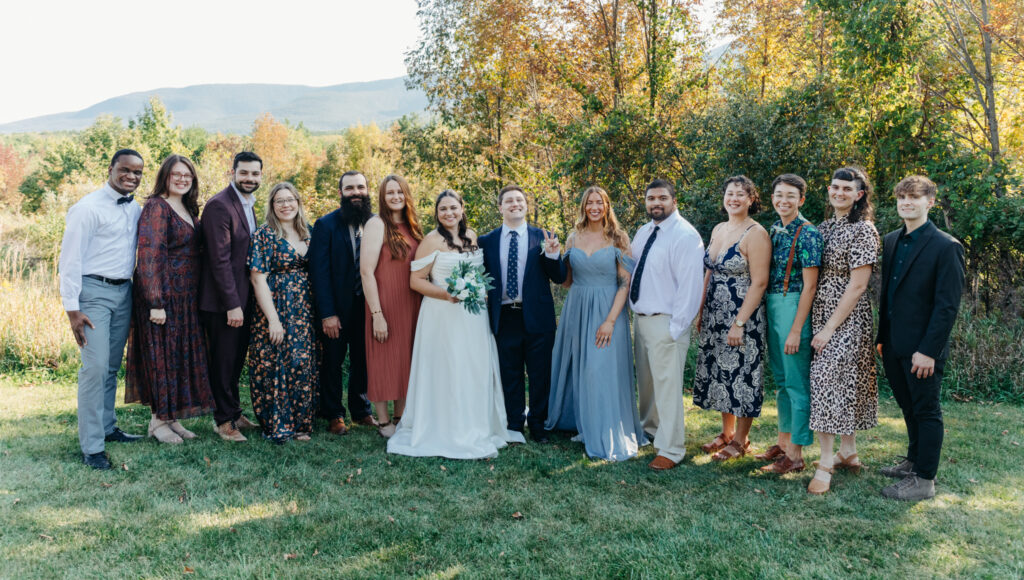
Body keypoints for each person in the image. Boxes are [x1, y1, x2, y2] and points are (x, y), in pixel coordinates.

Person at [387, 190, 525, 458]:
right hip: (442, 316)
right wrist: (447, 295)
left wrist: (478, 291)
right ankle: (447, 427)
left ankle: (477, 424)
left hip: (474, 316)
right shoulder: (431, 240)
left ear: (462, 208)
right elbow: (416, 281)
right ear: (437, 214)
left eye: (453, 208)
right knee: (449, 367)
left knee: (473, 367)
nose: (449, 213)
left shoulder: (472, 236)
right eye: (443, 209)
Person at [877, 176, 965, 501]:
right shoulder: (890, 241)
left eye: (914, 197)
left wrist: (928, 351)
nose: (907, 202)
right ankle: (913, 461)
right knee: (908, 407)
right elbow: (888, 295)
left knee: (926, 410)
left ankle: (924, 480)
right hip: (893, 344)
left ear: (930, 202)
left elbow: (946, 307)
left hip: (923, 350)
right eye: (902, 197)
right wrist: (882, 337)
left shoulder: (947, 246)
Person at [59, 149, 146, 470]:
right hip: (92, 293)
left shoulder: (135, 207)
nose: (131, 176)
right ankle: (92, 447)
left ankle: (108, 428)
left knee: (110, 367)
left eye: (138, 172)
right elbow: (69, 260)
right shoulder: (86, 209)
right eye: (125, 170)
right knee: (94, 369)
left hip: (125, 292)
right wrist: (72, 309)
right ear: (110, 169)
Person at [545, 186, 647, 461]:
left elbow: (624, 284)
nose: (594, 207)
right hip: (577, 308)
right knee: (580, 368)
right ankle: (583, 423)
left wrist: (610, 321)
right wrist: (554, 255)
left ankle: (606, 430)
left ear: (606, 206)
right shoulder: (572, 238)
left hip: (607, 309)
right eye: (589, 202)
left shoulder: (618, 238)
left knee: (600, 370)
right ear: (583, 206)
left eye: (598, 202)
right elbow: (567, 281)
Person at [125, 154, 213, 444]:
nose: (182, 179)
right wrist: (156, 302)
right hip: (163, 298)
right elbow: (150, 255)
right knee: (161, 357)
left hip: (186, 298)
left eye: (187, 175)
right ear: (165, 176)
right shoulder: (156, 207)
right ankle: (157, 422)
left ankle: (171, 417)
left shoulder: (186, 207)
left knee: (176, 358)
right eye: (176, 174)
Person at [807, 166, 880, 495]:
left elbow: (858, 284)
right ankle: (847, 451)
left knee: (827, 379)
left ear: (859, 195)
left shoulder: (863, 230)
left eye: (847, 189)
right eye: (835, 187)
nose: (839, 193)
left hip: (847, 316)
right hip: (821, 309)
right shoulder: (822, 227)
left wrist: (827, 329)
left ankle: (824, 464)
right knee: (841, 381)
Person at [478, 184, 566, 443]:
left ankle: (538, 424)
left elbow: (559, 277)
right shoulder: (487, 241)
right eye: (509, 201)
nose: (515, 204)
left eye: (519, 200)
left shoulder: (544, 236)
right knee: (510, 372)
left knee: (540, 373)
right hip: (504, 316)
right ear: (500, 207)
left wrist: (552, 255)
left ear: (526, 205)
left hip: (538, 317)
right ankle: (514, 423)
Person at [629, 179, 706, 470]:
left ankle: (671, 448)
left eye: (662, 197)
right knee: (647, 385)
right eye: (651, 198)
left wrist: (676, 329)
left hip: (667, 322)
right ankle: (650, 431)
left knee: (668, 387)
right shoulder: (644, 231)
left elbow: (690, 287)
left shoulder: (685, 236)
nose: (656, 203)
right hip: (642, 320)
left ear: (674, 201)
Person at [693, 175, 771, 461]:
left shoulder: (756, 233)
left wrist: (739, 322)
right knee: (721, 373)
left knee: (743, 375)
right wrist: (700, 310)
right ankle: (725, 433)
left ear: (751, 199)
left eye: (741, 194)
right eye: (730, 193)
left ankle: (741, 439)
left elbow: (760, 282)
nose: (734, 198)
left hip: (742, 314)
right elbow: (709, 272)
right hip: (715, 312)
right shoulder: (719, 228)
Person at [755, 174, 822, 474]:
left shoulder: (808, 233)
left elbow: (810, 287)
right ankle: (782, 444)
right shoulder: (774, 230)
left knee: (796, 383)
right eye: (779, 195)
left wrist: (796, 329)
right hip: (773, 304)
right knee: (781, 382)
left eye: (790, 196)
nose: (783, 201)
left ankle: (796, 453)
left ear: (801, 200)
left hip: (794, 305)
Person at [247, 182, 319, 444]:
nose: (286, 205)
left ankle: (302, 423)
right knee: (276, 362)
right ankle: (277, 424)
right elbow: (258, 279)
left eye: (290, 200)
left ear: (298, 203)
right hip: (276, 306)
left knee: (301, 362)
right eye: (280, 201)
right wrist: (273, 319)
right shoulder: (264, 235)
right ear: (272, 206)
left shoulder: (309, 233)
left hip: (304, 309)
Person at [199, 151, 264, 442]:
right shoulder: (218, 206)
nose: (249, 178)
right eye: (244, 173)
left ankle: (234, 411)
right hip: (224, 302)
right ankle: (223, 420)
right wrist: (233, 305)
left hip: (244, 296)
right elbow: (219, 261)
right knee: (223, 361)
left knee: (236, 359)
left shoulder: (248, 204)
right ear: (233, 172)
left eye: (255, 174)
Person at [309, 171, 377, 435]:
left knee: (363, 361)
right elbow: (319, 272)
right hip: (335, 309)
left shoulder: (375, 223)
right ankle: (334, 414)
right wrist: (327, 313)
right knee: (333, 362)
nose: (356, 192)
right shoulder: (325, 225)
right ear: (341, 193)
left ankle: (361, 412)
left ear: (367, 190)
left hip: (366, 309)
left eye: (360, 187)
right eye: (349, 188)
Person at [360, 174, 424, 438]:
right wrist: (377, 314)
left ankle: (401, 416)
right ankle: (384, 420)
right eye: (390, 193)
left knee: (406, 359)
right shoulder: (377, 224)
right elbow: (366, 271)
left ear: (406, 194)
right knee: (383, 359)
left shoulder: (413, 226)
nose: (396, 197)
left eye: (400, 192)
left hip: (412, 301)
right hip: (384, 302)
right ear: (382, 198)